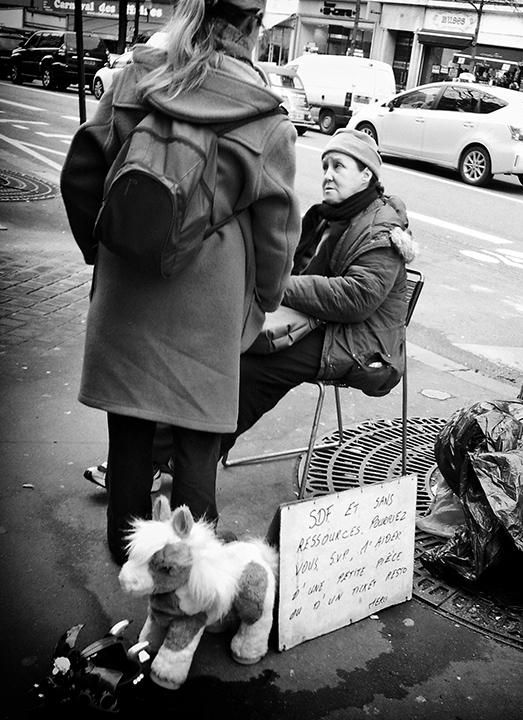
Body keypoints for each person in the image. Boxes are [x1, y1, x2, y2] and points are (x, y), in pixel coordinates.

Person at [60, 0, 300, 564]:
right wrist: (263, 298)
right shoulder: (266, 117)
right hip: (210, 303)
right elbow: (276, 233)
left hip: (127, 290)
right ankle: (192, 584)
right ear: (253, 28)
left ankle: (130, 566)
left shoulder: (134, 78)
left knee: (130, 437)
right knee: (196, 443)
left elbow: (80, 173)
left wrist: (107, 250)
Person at [220, 129, 417, 458]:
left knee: (253, 370)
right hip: (325, 324)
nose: (328, 175)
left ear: (366, 174)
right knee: (229, 347)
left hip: (367, 347)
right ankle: (176, 453)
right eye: (325, 166)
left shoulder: (382, 229)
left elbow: (355, 299)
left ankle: (179, 459)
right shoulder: (333, 216)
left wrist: (277, 286)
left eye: (339, 166)